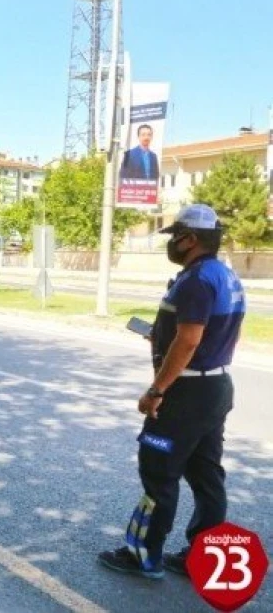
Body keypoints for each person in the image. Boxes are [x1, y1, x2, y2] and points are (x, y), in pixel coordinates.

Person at [98, 204, 246, 580]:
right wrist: (160, 335)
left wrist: (156, 390)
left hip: (186, 394)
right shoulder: (224, 275)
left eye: (175, 236)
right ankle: (206, 555)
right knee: (206, 473)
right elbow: (208, 334)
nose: (172, 243)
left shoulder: (196, 280)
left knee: (158, 468)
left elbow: (189, 340)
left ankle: (143, 555)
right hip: (215, 388)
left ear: (190, 239)